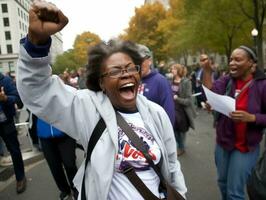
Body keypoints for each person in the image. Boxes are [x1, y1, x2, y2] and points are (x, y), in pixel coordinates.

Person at [16, 1, 187, 200]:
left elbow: (172, 167)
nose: (126, 75)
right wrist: (36, 43)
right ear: (102, 82)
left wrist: (180, 195)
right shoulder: (88, 109)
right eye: (115, 71)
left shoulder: (156, 113)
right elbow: (37, 90)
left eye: (131, 68)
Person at [202, 45, 266, 200]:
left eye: (238, 60)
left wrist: (251, 118)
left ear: (251, 63)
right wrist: (207, 72)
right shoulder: (226, 80)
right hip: (224, 142)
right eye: (231, 59)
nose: (232, 63)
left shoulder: (262, 85)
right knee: (222, 183)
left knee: (234, 192)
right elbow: (211, 92)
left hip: (245, 147)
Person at [37, 118, 78, 200]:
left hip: (65, 131)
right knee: (54, 166)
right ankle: (64, 190)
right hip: (44, 133)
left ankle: (76, 188)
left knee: (69, 163)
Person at [0, 72, 26, 193]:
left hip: (6, 122)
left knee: (14, 150)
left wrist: (5, 98)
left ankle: (20, 178)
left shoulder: (5, 80)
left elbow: (17, 98)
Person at [137, 44, 175, 126]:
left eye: (141, 60)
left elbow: (169, 112)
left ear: (150, 61)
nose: (139, 64)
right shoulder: (132, 80)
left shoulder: (161, 81)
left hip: (157, 132)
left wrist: (166, 136)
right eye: (136, 61)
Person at [171, 64, 197, 156]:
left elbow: (189, 101)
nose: (172, 70)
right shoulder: (172, 80)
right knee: (173, 130)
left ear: (179, 70)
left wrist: (177, 99)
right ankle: (180, 146)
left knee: (181, 131)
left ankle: (181, 148)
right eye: (172, 69)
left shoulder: (186, 82)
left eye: (174, 68)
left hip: (182, 112)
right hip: (173, 110)